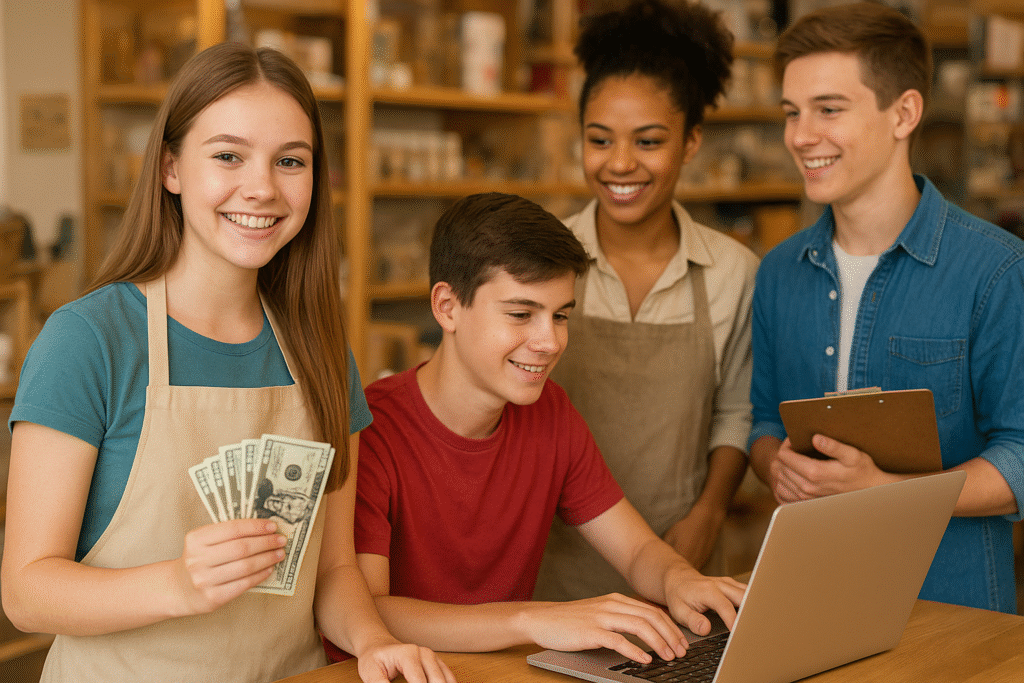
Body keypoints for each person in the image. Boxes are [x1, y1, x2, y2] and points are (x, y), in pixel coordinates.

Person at [1, 42, 453, 683]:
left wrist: (372, 642)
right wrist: (180, 584)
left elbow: (334, 570)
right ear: (171, 169)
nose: (263, 187)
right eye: (228, 156)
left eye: (290, 161)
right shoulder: (88, 341)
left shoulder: (321, 350)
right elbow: (25, 593)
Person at [322, 192, 745, 665]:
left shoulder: (551, 413)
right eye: (521, 314)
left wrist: (677, 579)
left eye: (561, 315)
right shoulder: (372, 430)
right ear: (447, 306)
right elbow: (369, 611)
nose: (549, 341)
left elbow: (637, 549)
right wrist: (531, 619)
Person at [748, 2, 1024, 614]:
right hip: (810, 599)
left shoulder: (998, 271)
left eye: (828, 109)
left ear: (904, 113)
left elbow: (1021, 459)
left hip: (953, 614)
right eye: (792, 113)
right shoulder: (777, 273)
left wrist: (883, 491)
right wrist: (777, 465)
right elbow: (764, 421)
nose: (800, 136)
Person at [533, 0, 759, 604]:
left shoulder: (731, 272)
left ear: (690, 142)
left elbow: (736, 411)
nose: (622, 164)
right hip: (547, 562)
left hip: (681, 559)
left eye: (649, 141)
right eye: (600, 140)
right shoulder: (542, 260)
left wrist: (709, 514)